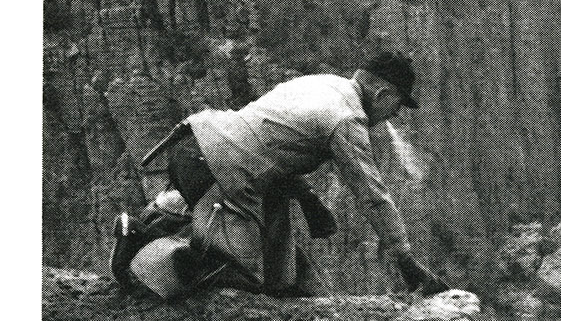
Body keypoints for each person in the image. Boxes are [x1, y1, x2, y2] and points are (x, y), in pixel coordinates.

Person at [125, 49, 446, 298]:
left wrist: (307, 199)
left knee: (285, 275)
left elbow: (265, 142)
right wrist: (406, 261)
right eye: (397, 106)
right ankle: (143, 250)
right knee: (236, 277)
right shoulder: (346, 118)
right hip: (219, 172)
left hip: (196, 144)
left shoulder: (322, 82)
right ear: (383, 94)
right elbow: (374, 197)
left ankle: (154, 218)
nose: (392, 115)